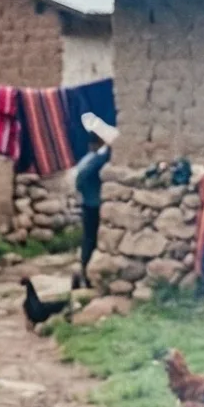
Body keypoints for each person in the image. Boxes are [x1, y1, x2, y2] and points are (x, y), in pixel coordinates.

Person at [74, 113, 115, 282]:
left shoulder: (86, 159)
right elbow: (81, 179)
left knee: (89, 239)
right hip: (93, 205)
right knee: (91, 240)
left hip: (88, 203)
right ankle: (86, 274)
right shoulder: (94, 160)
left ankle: (86, 273)